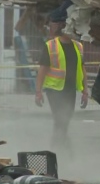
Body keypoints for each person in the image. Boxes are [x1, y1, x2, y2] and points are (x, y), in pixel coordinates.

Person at [35, 21, 89, 155]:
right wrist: (38, 92)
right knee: (60, 118)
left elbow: (82, 69)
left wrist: (85, 90)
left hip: (70, 89)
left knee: (66, 119)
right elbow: (42, 70)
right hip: (54, 90)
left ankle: (61, 148)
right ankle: (59, 149)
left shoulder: (78, 46)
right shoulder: (51, 46)